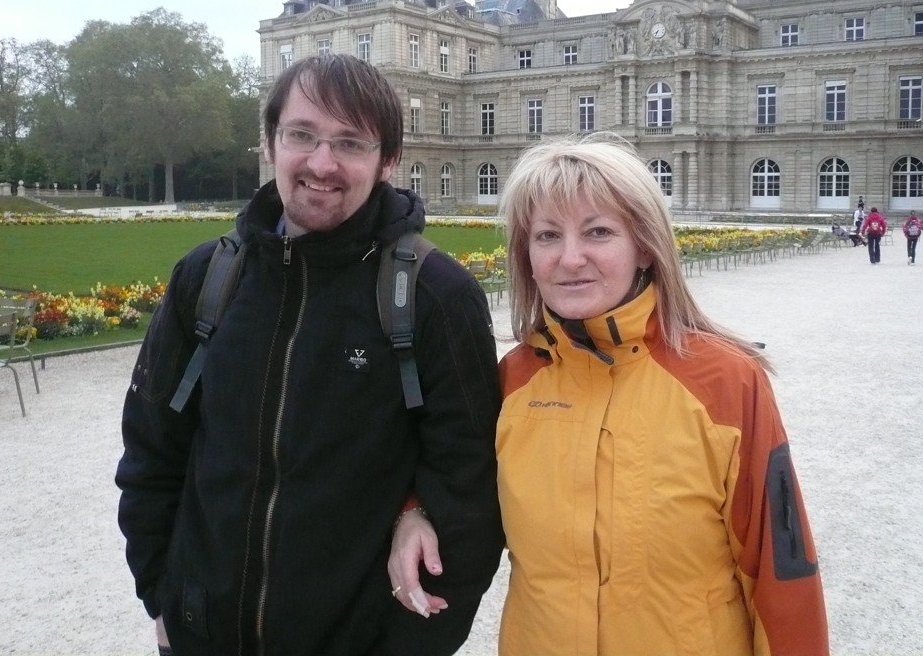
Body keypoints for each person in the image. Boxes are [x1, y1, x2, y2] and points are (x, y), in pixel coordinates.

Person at [116, 54, 504, 656]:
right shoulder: (206, 277)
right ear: (270, 142)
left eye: (350, 143)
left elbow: (468, 489)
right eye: (302, 135)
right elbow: (152, 450)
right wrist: (163, 599)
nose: (322, 164)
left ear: (388, 161)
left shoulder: (434, 295)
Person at [389, 135, 829, 655]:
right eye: (547, 236)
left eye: (598, 232)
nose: (570, 258)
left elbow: (782, 572)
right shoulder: (513, 380)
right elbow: (457, 476)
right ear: (527, 256)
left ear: (644, 245)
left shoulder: (726, 382)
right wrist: (414, 512)